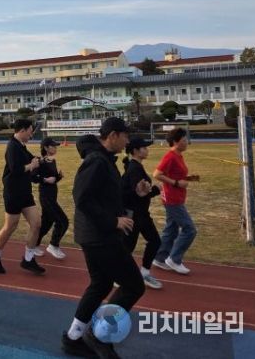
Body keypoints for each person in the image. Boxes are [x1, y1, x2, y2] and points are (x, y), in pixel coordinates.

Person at [61, 117, 148, 359]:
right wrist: (113, 222)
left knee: (101, 284)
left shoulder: (106, 161)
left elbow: (110, 195)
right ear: (112, 135)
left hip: (96, 235)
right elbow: (82, 198)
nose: (128, 141)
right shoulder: (97, 161)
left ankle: (73, 338)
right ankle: (98, 335)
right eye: (125, 136)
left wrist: (137, 192)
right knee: (133, 285)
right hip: (100, 236)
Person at [0, 119, 45, 275]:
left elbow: (32, 159)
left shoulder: (21, 146)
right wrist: (31, 165)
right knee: (10, 226)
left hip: (25, 192)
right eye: (30, 131)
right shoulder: (12, 146)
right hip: (13, 192)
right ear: (22, 130)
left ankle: (28, 259)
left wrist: (41, 160)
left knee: (36, 223)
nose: (32, 134)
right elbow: (15, 169)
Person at [152, 127, 199, 275]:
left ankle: (160, 258)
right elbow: (157, 174)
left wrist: (188, 178)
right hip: (172, 199)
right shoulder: (170, 156)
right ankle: (174, 259)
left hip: (177, 197)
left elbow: (175, 173)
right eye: (184, 140)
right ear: (175, 142)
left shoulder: (179, 156)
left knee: (171, 229)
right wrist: (176, 183)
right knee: (189, 229)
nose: (186, 142)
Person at [121, 137, 163, 289]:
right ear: (136, 151)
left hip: (141, 214)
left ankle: (144, 273)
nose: (147, 150)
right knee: (127, 247)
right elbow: (139, 193)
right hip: (133, 214)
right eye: (144, 147)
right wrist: (156, 189)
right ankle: (119, 275)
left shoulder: (135, 167)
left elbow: (138, 192)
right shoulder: (134, 169)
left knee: (154, 241)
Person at [35, 137, 69, 259]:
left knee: (46, 223)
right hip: (46, 196)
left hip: (52, 196)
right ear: (46, 148)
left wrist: (58, 177)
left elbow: (52, 180)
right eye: (53, 146)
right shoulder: (40, 161)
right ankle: (53, 245)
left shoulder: (52, 161)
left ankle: (33, 245)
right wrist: (45, 179)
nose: (55, 148)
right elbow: (33, 177)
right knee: (63, 221)